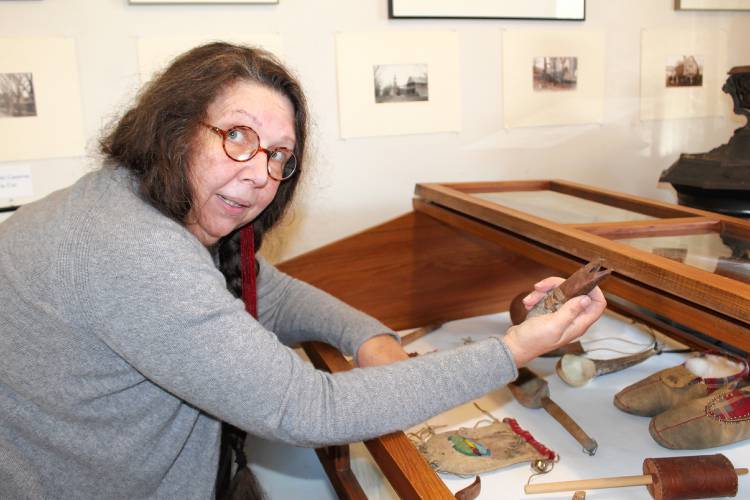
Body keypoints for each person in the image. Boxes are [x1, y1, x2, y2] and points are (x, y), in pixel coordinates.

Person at [0, 42, 606, 499]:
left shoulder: (135, 199)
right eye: (237, 135)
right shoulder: (134, 251)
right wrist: (513, 350)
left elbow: (266, 289)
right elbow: (305, 410)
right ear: (174, 129)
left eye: (280, 157)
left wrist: (363, 334)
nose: (261, 174)